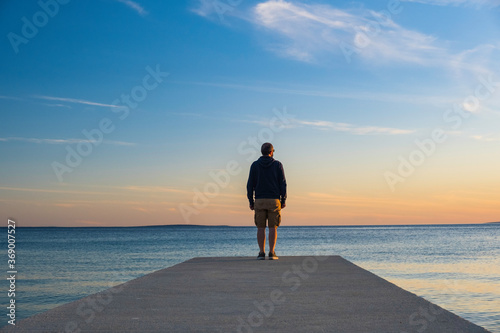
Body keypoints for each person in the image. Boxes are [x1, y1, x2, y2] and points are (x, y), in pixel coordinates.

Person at [247, 142, 287, 260]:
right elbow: (283, 183)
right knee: (273, 227)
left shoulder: (254, 165)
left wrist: (251, 200)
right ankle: (272, 252)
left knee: (260, 227)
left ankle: (261, 252)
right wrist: (283, 199)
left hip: (259, 199)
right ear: (271, 152)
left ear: (262, 152)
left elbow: (250, 185)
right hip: (274, 200)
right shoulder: (278, 165)